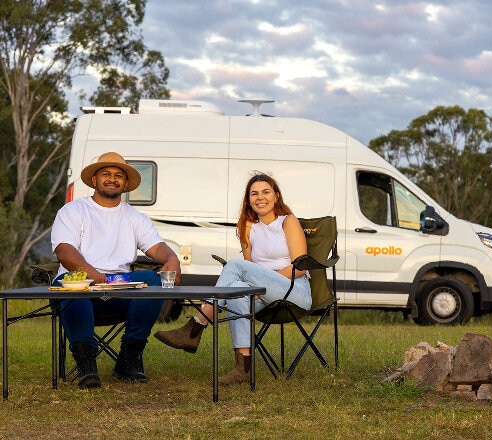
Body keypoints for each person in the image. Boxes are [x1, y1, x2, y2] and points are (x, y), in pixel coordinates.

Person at [154, 173, 311, 385]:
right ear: (248, 200)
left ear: (276, 196)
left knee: (234, 266)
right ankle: (243, 367)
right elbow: (250, 269)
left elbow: (300, 267)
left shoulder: (287, 222)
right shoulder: (248, 226)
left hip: (294, 290)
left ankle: (197, 324)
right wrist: (253, 287)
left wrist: (259, 284)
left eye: (266, 192)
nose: (260, 197)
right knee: (236, 288)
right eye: (254, 193)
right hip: (263, 294)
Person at [51, 151, 181, 389]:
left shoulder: (135, 217)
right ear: (94, 180)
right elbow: (64, 252)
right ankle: (86, 365)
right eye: (106, 174)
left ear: (125, 183)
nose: (112, 179)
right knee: (72, 284)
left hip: (118, 287)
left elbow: (157, 248)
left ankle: (128, 360)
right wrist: (92, 274)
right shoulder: (72, 211)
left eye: (118, 175)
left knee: (151, 280)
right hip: (81, 284)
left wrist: (172, 259)